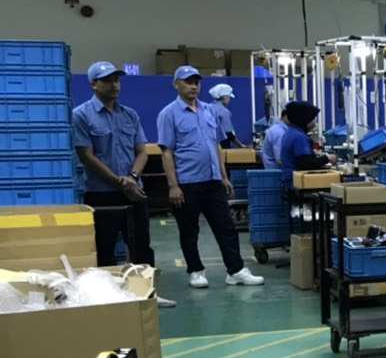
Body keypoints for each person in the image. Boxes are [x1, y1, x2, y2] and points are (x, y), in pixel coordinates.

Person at [157, 65, 265, 289]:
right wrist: (173, 186)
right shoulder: (169, 114)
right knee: (189, 230)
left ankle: (235, 270)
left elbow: (216, 145)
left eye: (196, 82)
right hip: (187, 183)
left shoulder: (209, 111)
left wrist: (223, 176)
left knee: (226, 227)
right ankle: (196, 271)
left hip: (213, 181)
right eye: (188, 82)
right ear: (176, 84)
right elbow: (166, 151)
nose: (193, 86)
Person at [71, 60, 153, 267]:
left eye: (116, 80)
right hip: (101, 194)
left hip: (134, 192)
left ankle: (146, 286)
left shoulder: (130, 114)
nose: (114, 85)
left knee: (141, 247)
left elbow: (142, 152)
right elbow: (87, 156)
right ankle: (109, 288)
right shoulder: (81, 115)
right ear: (93, 84)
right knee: (104, 249)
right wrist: (120, 182)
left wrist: (132, 177)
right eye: (107, 81)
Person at [277, 101, 329, 173]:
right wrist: (327, 158)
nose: (315, 121)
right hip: (295, 179)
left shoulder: (290, 132)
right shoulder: (299, 137)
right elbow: (306, 164)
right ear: (305, 119)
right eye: (313, 118)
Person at [207, 83, 239, 148]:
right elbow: (229, 133)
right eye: (229, 97)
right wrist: (241, 145)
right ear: (225, 97)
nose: (230, 99)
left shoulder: (207, 107)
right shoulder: (224, 111)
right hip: (222, 146)